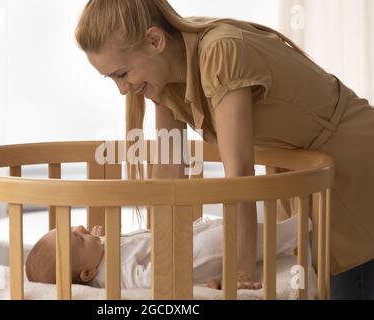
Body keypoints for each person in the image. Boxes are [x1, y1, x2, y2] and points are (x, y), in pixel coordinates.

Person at [74, 0, 374, 298]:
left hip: (352, 164)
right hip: (304, 177)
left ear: (155, 40)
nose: (122, 89)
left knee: (352, 286)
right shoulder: (161, 80)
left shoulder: (220, 53)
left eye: (122, 74)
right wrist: (160, 257)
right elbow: (169, 170)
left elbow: (239, 173)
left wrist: (240, 269)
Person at [25, 217, 303, 289]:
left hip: (183, 239)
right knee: (227, 241)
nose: (81, 226)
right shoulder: (112, 276)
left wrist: (95, 240)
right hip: (188, 259)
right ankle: (299, 231)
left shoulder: (97, 257)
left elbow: (125, 247)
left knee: (233, 230)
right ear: (88, 274)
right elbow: (146, 282)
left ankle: (288, 234)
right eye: (79, 238)